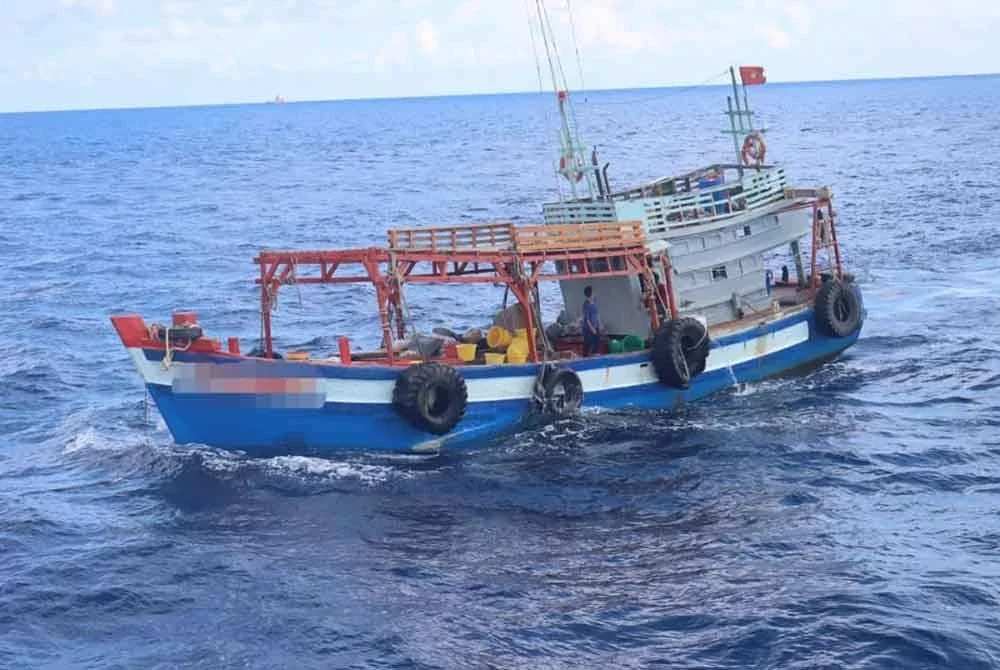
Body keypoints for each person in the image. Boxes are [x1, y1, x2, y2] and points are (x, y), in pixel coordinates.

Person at [582, 285, 601, 356]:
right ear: (591, 294)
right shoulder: (586, 305)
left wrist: (599, 324)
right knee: (588, 343)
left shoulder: (593, 303)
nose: (594, 293)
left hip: (596, 326)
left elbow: (596, 314)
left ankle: (595, 354)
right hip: (588, 328)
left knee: (597, 342)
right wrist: (592, 328)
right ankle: (586, 356)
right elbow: (587, 319)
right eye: (593, 292)